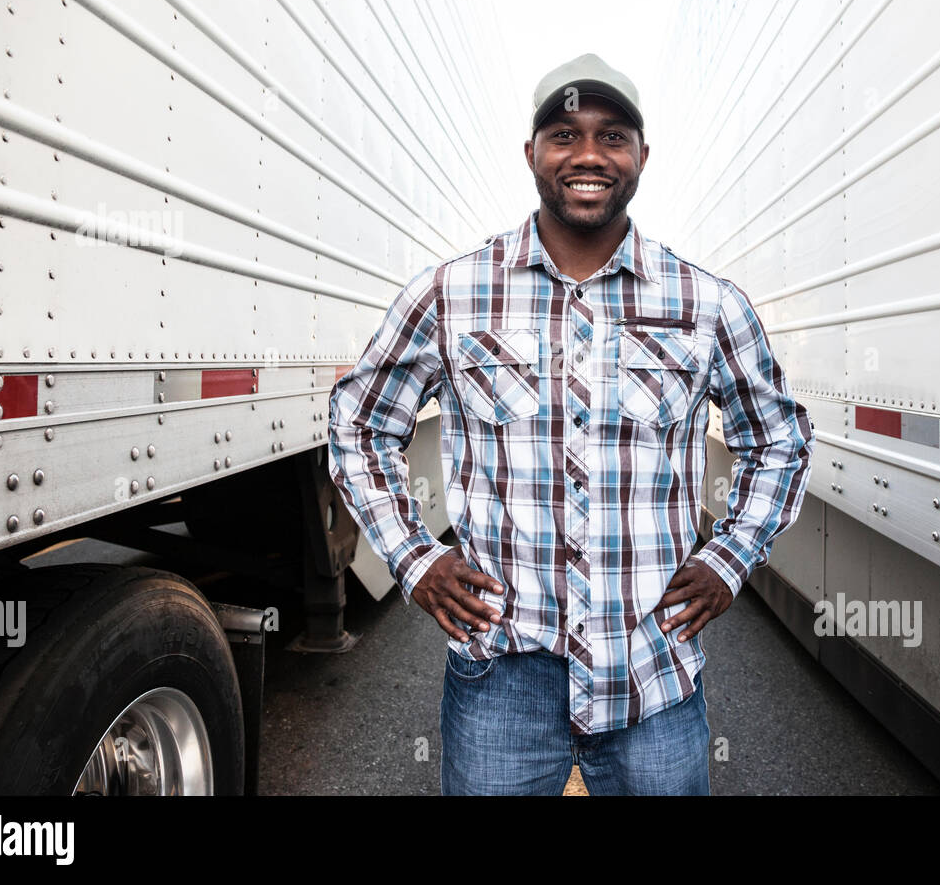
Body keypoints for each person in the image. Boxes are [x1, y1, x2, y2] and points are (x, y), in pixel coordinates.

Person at [329, 53, 814, 795]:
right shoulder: (453, 295)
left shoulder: (708, 305)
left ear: (641, 156)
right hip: (500, 683)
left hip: (653, 681)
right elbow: (360, 424)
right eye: (564, 134)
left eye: (612, 135)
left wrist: (730, 557)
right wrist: (415, 559)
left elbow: (778, 438)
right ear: (532, 153)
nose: (589, 154)